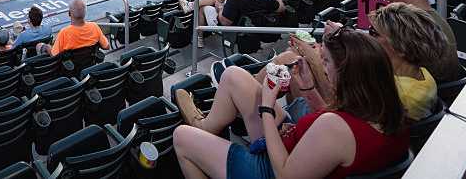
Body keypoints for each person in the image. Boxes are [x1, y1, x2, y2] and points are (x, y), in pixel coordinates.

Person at [173, 28, 408, 179]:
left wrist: (267, 105)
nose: (321, 66)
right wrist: (307, 88)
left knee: (181, 137)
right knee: (235, 76)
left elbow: (284, 174)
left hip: (271, 168)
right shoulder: (387, 107)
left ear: (346, 73)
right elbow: (334, 129)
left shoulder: (335, 128)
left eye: (325, 61)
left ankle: (197, 128)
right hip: (296, 147)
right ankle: (204, 126)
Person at [367, 3, 446, 121]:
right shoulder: (422, 73)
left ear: (400, 47)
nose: (367, 37)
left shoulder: (401, 95)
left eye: (373, 32)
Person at [40, 0, 110, 56]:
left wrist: (48, 48)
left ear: (69, 13)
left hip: (71, 70)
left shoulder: (64, 33)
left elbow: (54, 55)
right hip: (89, 66)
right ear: (85, 13)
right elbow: (106, 46)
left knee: (42, 46)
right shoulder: (94, 27)